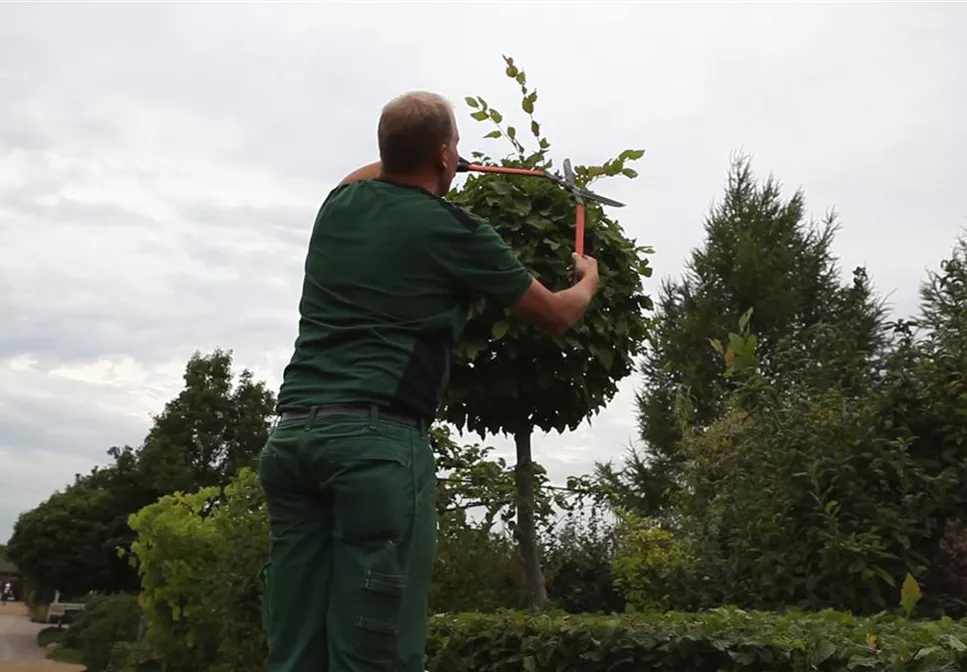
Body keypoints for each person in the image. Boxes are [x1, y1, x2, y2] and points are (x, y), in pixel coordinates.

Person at [258, 90, 601, 672]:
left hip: (292, 442)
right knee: (377, 648)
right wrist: (587, 278)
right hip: (375, 448)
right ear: (443, 155)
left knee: (295, 646)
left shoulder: (338, 205)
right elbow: (557, 315)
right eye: (456, 147)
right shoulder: (456, 231)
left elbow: (365, 170)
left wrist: (432, 157)